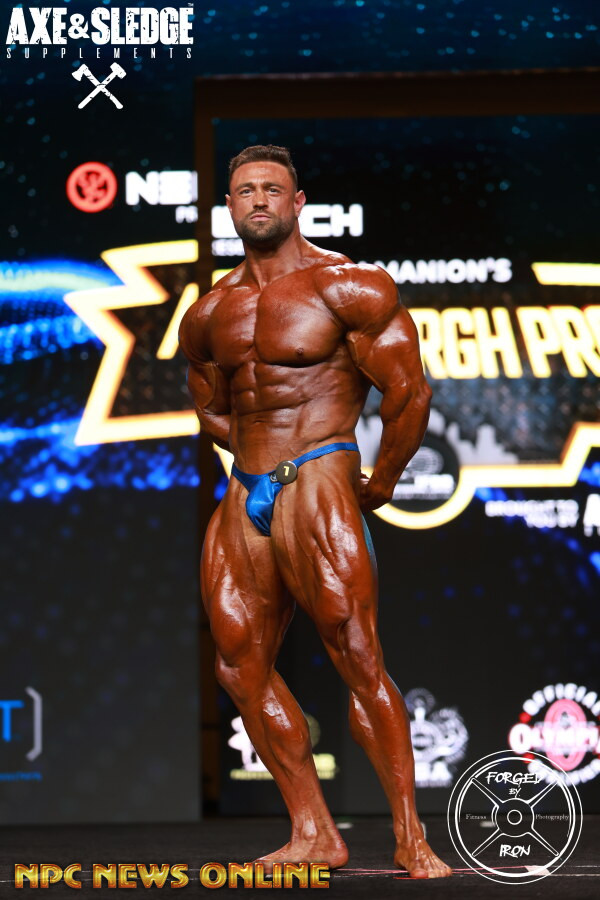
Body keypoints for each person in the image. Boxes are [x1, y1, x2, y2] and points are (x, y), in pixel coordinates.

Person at [179, 145, 451, 878]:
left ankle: (410, 836)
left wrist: (380, 480)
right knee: (239, 666)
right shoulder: (207, 312)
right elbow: (211, 406)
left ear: (298, 203)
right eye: (244, 191)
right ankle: (314, 831)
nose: (258, 200)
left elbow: (408, 392)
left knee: (355, 653)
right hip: (247, 487)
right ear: (229, 207)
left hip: (319, 471)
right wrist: (255, 458)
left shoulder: (348, 285)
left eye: (272, 189)